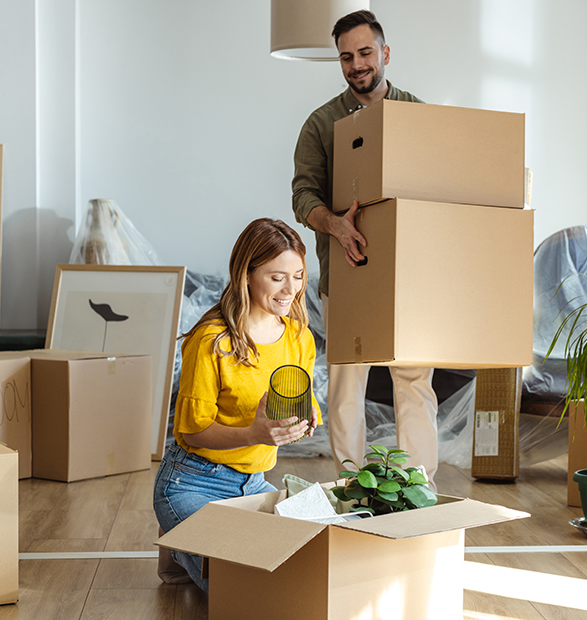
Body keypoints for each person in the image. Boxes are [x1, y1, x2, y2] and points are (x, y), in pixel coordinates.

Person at [291, 10, 440, 488]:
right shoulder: (321, 124)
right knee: (345, 387)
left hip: (409, 280)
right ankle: (349, 485)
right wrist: (333, 224)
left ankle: (420, 486)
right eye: (346, 57)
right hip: (349, 274)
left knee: (415, 384)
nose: (357, 64)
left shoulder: (417, 115)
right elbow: (302, 195)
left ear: (385, 53)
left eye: (365, 53)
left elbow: (437, 188)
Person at [152, 218, 322, 591]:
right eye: (278, 277)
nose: (290, 289)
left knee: (307, 574)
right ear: (246, 273)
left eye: (298, 275)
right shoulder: (212, 340)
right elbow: (191, 431)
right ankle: (186, 540)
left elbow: (302, 402)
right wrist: (254, 433)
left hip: (255, 485)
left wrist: (303, 421)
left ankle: (188, 548)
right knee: (247, 591)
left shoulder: (297, 336)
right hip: (192, 483)